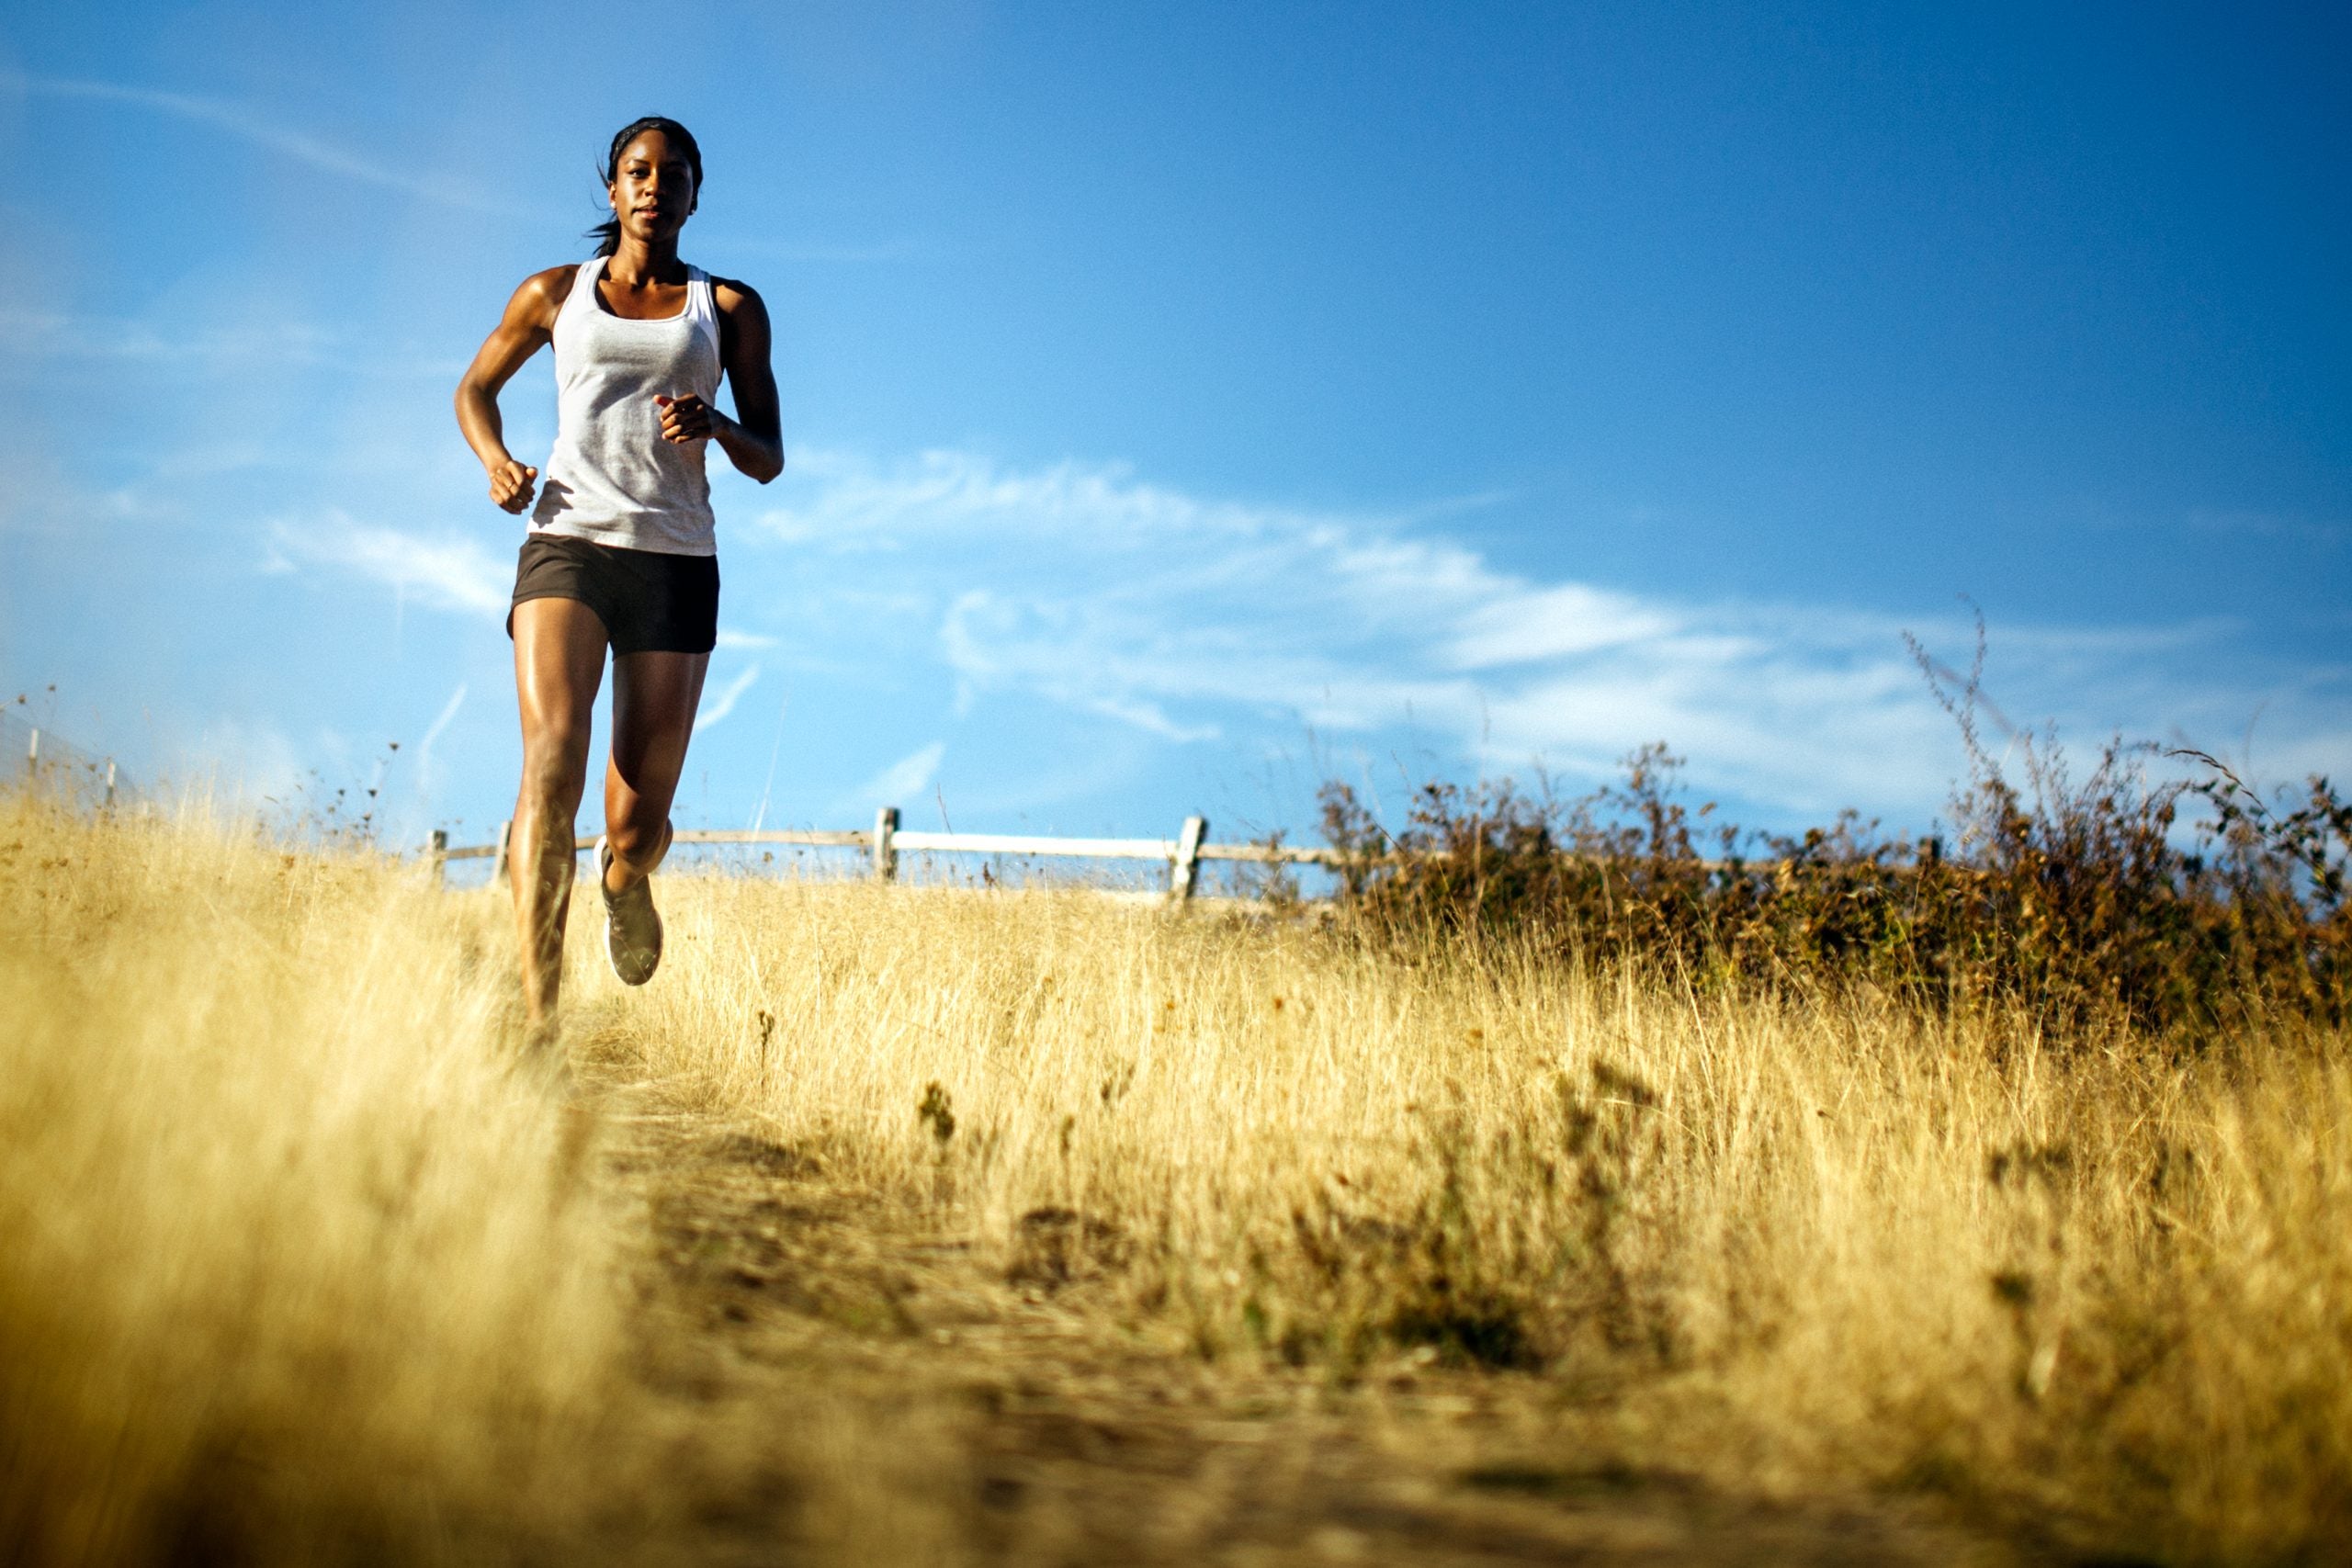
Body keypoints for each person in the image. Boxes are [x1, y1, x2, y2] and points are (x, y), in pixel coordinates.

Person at [454, 116, 782, 1043]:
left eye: (672, 175)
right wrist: (495, 461)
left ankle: (624, 878)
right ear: (612, 189)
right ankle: (536, 1024)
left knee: (637, 825)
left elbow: (771, 457)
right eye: (637, 172)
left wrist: (716, 426)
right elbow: (473, 389)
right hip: (567, 541)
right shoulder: (554, 294)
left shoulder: (727, 309)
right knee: (552, 756)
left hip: (675, 559)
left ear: (692, 195)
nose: (652, 186)